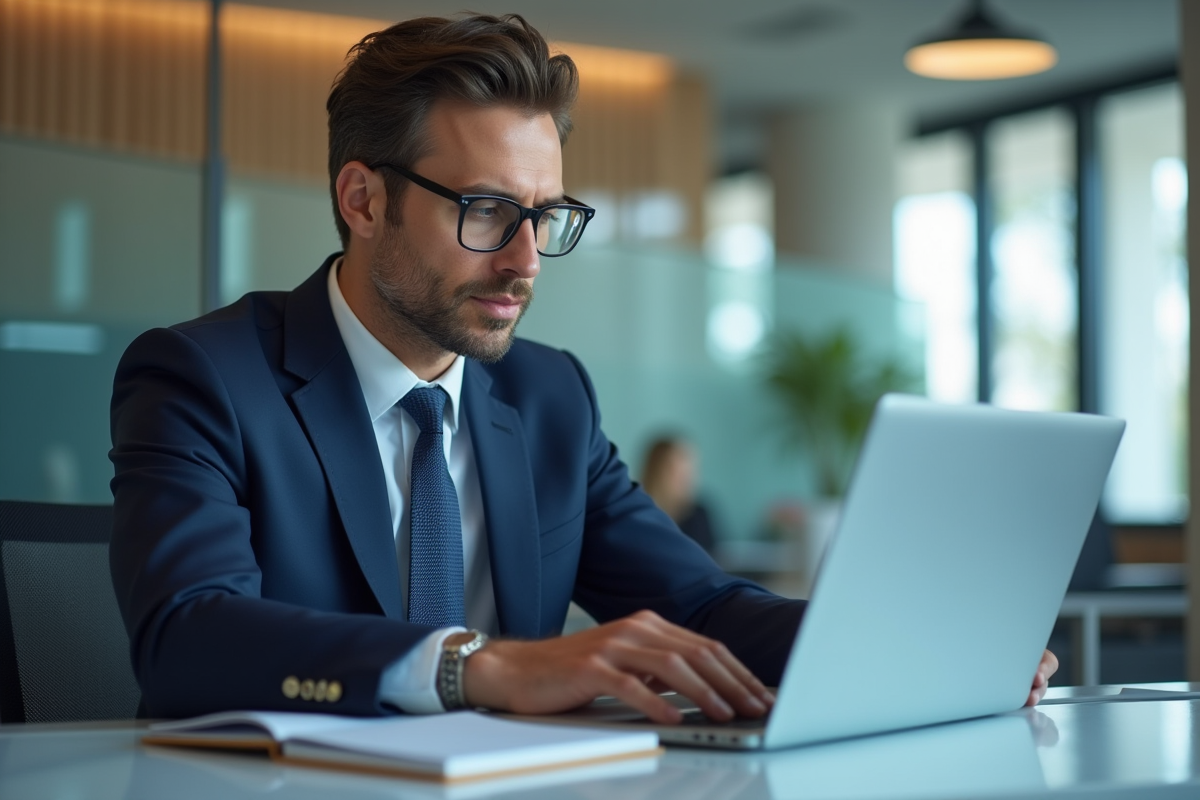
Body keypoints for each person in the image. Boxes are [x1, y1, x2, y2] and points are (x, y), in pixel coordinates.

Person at [108, 13, 1057, 723]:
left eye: (545, 215)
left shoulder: (546, 394)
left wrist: (920, 650)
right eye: (484, 211)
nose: (524, 261)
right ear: (362, 198)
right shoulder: (205, 377)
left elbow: (701, 605)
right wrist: (473, 664)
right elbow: (187, 636)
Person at [640, 436, 717, 553]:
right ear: (655, 471)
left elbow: (712, 559)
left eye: (688, 471)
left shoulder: (699, 515)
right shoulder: (638, 513)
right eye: (675, 471)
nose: (686, 478)